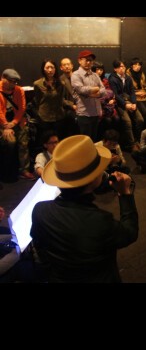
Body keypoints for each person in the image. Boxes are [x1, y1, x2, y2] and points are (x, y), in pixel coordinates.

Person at [30, 135, 139, 283]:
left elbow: (40, 249)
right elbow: (129, 233)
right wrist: (125, 193)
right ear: (93, 179)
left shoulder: (40, 210)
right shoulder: (100, 221)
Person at [0, 69, 35, 181]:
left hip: (17, 121)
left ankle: (24, 169)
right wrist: (6, 125)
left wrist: (14, 122)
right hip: (2, 123)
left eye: (15, 82)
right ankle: (8, 170)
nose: (13, 84)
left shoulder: (19, 90)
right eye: (11, 81)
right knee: (10, 141)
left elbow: (22, 108)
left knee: (23, 141)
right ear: (3, 78)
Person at [71, 50, 106, 141]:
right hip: (84, 113)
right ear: (79, 60)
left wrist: (93, 94)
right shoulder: (75, 75)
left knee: (93, 139)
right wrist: (96, 88)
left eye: (90, 60)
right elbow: (81, 90)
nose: (88, 62)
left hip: (95, 113)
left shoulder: (95, 75)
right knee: (85, 141)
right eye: (86, 60)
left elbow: (104, 91)